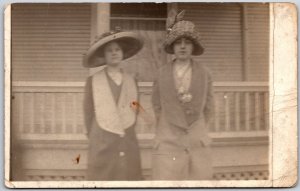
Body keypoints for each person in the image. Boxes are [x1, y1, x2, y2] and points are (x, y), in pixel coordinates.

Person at [151, 14, 215, 180]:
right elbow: (157, 107)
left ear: (193, 46)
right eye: (178, 43)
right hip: (169, 141)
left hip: (196, 142)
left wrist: (198, 130)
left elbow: (209, 108)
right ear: (172, 47)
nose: (182, 47)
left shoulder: (204, 73)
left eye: (187, 43)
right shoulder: (161, 73)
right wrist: (165, 129)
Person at [82, 28, 144, 180]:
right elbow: (88, 113)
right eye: (110, 50)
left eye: (117, 49)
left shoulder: (131, 80)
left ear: (123, 54)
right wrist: (98, 135)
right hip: (102, 139)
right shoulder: (93, 81)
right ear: (104, 55)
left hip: (127, 138)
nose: (114, 53)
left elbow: (134, 110)